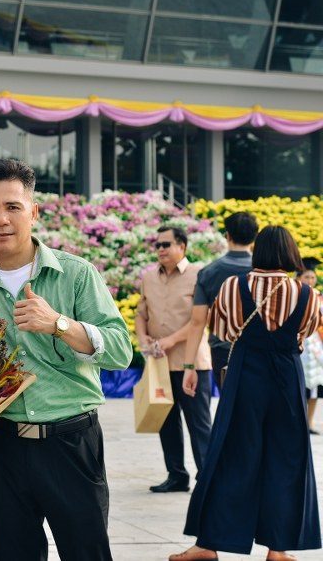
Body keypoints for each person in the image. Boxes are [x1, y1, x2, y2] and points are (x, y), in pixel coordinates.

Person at [0, 158, 132, 561]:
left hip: (70, 442)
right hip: (2, 447)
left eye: (12, 207)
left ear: (33, 212)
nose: (1, 219)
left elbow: (121, 350)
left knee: (86, 553)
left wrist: (59, 324)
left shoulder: (76, 274)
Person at [173, 227, 321, 561]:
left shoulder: (232, 286)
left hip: (246, 375)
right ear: (290, 252)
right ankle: (278, 548)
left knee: (230, 454)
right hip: (287, 377)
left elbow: (224, 331)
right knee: (287, 459)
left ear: (258, 250)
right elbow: (306, 331)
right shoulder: (307, 293)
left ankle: (208, 544)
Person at [135, 226, 212, 494]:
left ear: (182, 246)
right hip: (160, 364)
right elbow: (141, 313)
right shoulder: (149, 278)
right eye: (157, 245)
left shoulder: (199, 275)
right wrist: (143, 338)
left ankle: (208, 478)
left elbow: (200, 319)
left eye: (166, 244)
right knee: (166, 423)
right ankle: (176, 475)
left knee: (199, 425)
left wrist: (170, 341)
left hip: (192, 364)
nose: (160, 249)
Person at [176, 212, 259, 392]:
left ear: (227, 236)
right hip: (260, 351)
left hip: (223, 351)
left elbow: (197, 322)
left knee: (230, 403)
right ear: (254, 237)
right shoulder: (264, 271)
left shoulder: (209, 272)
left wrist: (189, 367)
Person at [298, 261, 323, 434]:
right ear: (299, 278)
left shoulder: (319, 297)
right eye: (307, 277)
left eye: (312, 277)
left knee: (314, 385)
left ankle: (310, 421)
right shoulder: (295, 295)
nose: (310, 280)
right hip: (299, 343)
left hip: (315, 345)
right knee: (299, 385)